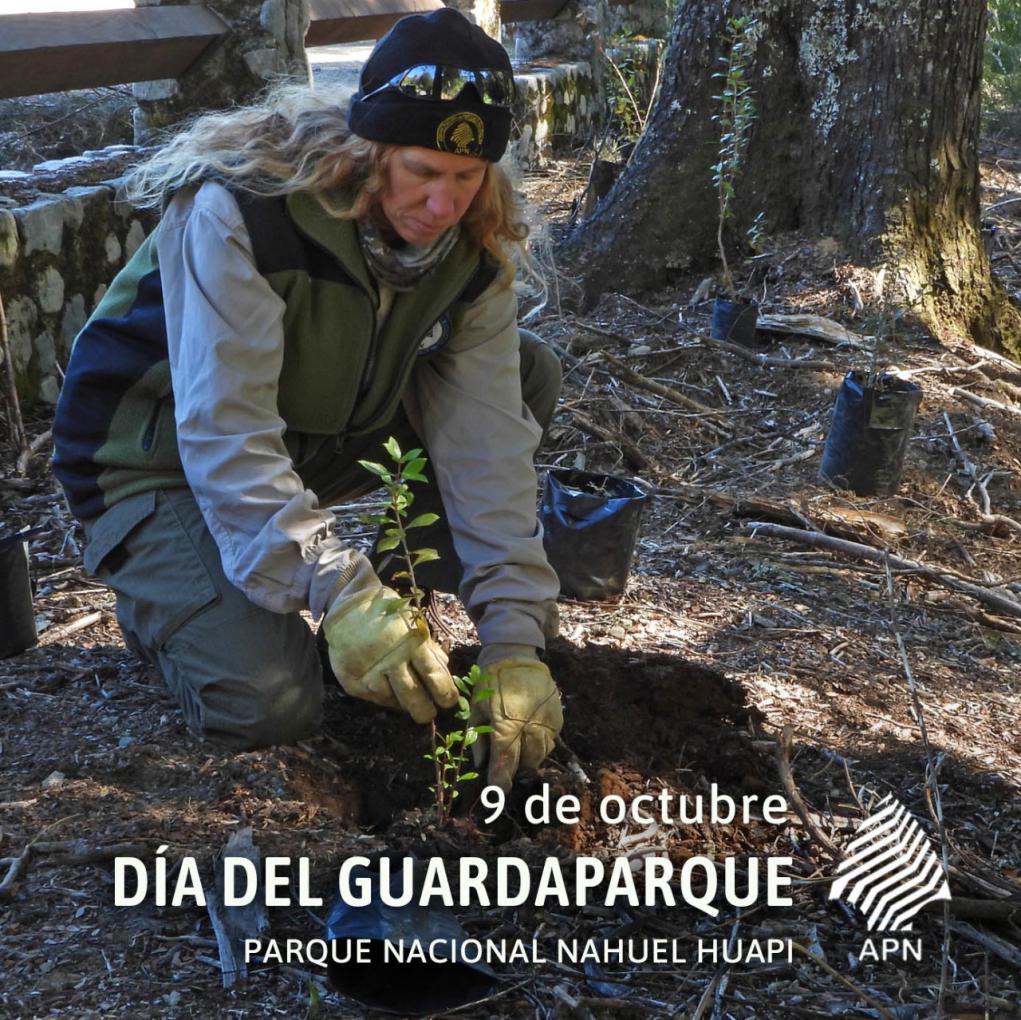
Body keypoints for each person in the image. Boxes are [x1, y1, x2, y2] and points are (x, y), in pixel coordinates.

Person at [51, 8, 563, 791]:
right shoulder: (243, 210)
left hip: (308, 443)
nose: (442, 205)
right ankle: (171, 597)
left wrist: (513, 642)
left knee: (526, 373)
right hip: (157, 463)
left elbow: (485, 445)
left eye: (465, 178)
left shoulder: (474, 247)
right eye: (422, 172)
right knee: (270, 704)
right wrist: (336, 588)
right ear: (371, 150)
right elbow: (227, 436)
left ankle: (397, 616)